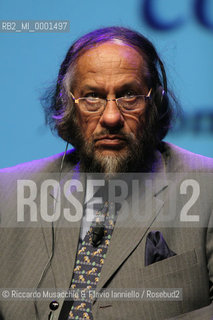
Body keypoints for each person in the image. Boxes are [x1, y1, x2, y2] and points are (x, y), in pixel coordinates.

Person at [0, 26, 213, 320]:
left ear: (155, 103)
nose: (111, 117)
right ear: (68, 106)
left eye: (129, 96)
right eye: (92, 97)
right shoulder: (6, 194)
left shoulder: (206, 188)